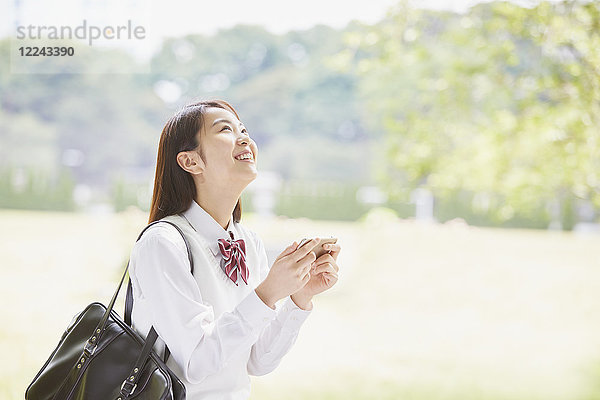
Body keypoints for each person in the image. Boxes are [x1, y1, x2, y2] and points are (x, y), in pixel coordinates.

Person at [128, 99, 341, 399]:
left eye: (243, 129)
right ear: (191, 162)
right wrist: (266, 293)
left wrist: (298, 296)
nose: (245, 138)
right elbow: (197, 360)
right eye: (225, 129)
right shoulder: (163, 243)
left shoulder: (248, 242)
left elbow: (257, 360)